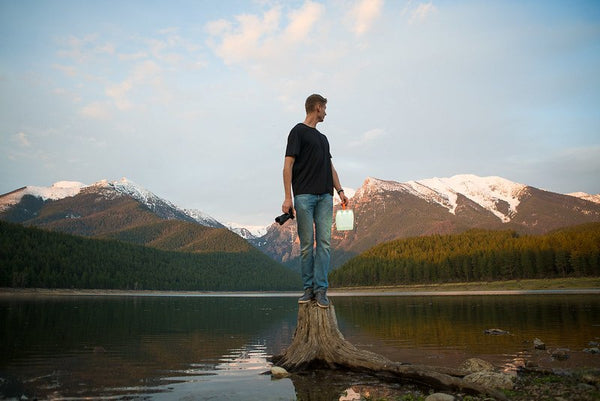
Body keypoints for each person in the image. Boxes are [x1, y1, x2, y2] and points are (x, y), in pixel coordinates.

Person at [282, 94, 348, 308]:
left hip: (325, 197)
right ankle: (308, 289)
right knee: (307, 245)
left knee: (325, 245)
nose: (326, 113)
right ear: (318, 107)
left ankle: (321, 290)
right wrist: (287, 197)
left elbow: (330, 168)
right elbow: (287, 166)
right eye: (325, 108)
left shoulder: (323, 139)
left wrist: (340, 191)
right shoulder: (297, 132)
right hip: (303, 197)